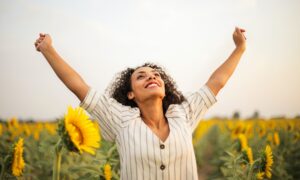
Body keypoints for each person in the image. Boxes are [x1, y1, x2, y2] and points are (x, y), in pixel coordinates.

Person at [34, 27, 246, 180]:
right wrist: (48, 49)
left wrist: (240, 48)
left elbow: (217, 82)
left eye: (155, 75)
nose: (151, 77)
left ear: (165, 88)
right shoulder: (120, 120)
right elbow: (78, 86)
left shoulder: (183, 113)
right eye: (141, 76)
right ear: (130, 94)